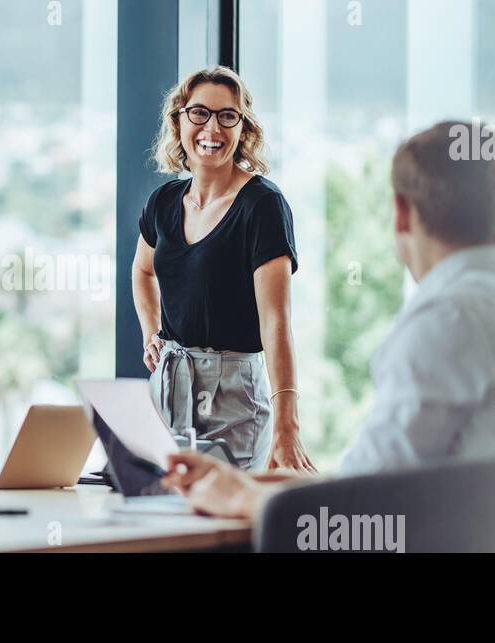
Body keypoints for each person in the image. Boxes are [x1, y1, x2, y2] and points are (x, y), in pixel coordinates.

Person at [162, 121, 495, 519]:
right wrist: (255, 483)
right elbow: (385, 478)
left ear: (400, 214)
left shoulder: (446, 320)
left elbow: (362, 510)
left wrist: (237, 496)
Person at [133, 66, 313, 473]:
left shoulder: (263, 205)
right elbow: (143, 272)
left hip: (233, 393)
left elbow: (276, 321)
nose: (211, 128)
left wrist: (288, 424)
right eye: (199, 113)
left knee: (224, 525)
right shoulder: (163, 202)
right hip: (168, 385)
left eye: (226, 116)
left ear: (243, 128)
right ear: (179, 121)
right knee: (162, 516)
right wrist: (150, 333)